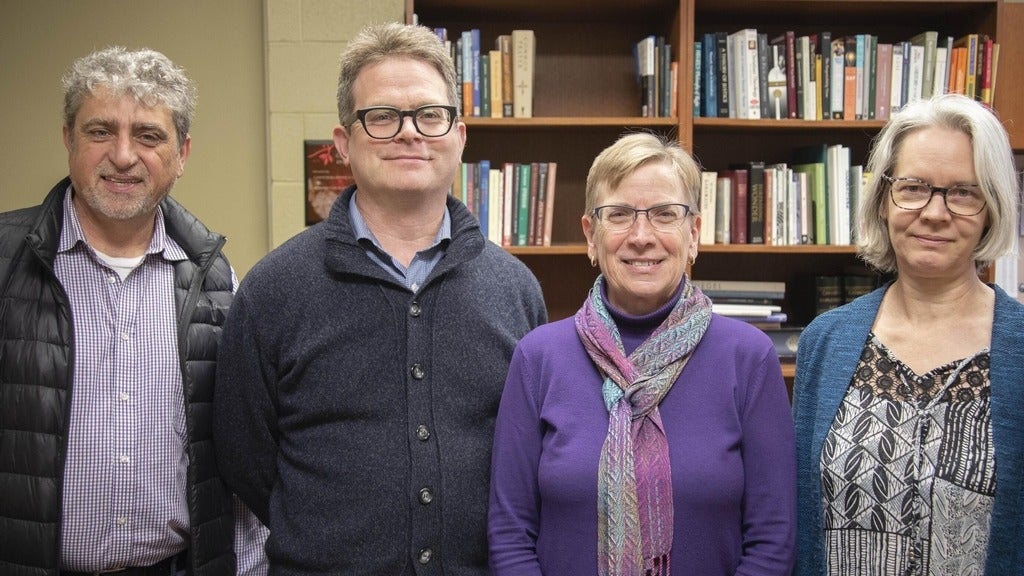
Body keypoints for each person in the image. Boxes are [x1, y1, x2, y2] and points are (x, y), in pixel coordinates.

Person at [212, 22, 547, 574]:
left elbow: (529, 451)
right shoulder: (273, 289)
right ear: (344, 143)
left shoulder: (515, 289)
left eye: (429, 115)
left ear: (459, 136)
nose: (409, 133)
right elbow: (245, 460)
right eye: (383, 117)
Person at [0, 47, 267, 575]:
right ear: (68, 139)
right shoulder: (6, 262)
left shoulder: (218, 282)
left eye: (148, 136)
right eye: (100, 131)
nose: (123, 156)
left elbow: (237, 457)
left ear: (183, 153)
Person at [488, 132, 797, 575]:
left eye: (664, 215)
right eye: (619, 215)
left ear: (693, 234)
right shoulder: (538, 358)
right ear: (590, 236)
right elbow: (509, 532)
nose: (641, 236)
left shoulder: (748, 358)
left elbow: (773, 538)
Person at [792, 93, 1024, 575]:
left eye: (963, 192)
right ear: (883, 199)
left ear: (991, 208)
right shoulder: (825, 342)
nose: (936, 213)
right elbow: (797, 514)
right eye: (914, 187)